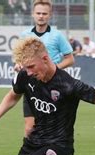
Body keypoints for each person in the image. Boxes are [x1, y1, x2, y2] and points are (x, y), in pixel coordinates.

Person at [19, 0, 74, 137]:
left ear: (50, 15)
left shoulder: (57, 35)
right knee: (29, 129)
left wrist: (54, 68)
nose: (41, 16)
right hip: (31, 84)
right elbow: (20, 59)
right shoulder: (25, 35)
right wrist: (19, 64)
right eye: (38, 13)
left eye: (44, 13)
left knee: (50, 129)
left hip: (51, 85)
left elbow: (70, 59)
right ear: (33, 14)